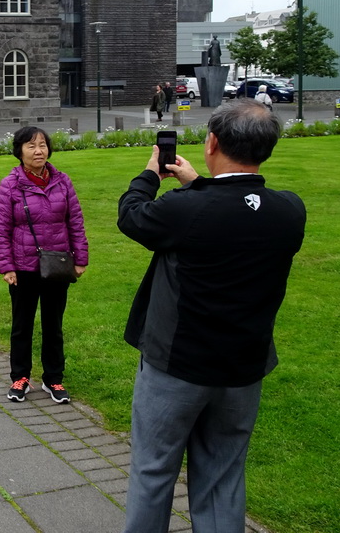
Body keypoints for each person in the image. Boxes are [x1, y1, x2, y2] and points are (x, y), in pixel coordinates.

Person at [117, 99, 306, 532]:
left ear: (213, 142)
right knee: (222, 477)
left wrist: (150, 173)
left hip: (177, 366)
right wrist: (200, 182)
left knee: (154, 471)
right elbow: (237, 207)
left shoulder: (185, 210)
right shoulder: (289, 210)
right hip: (243, 368)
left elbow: (132, 216)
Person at [0, 126, 89, 404]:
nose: (39, 151)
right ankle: (20, 377)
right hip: (23, 267)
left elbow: (76, 222)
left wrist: (80, 258)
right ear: (20, 151)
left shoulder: (62, 181)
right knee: (22, 324)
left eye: (43, 145)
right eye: (32, 146)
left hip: (56, 265)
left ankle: (53, 379)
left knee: (53, 324)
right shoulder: (10, 185)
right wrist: (6, 266)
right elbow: (1, 229)